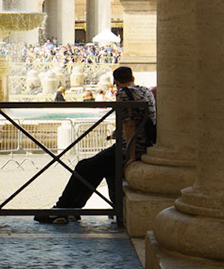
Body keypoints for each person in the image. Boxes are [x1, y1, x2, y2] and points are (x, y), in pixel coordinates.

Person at [35, 66, 154, 224]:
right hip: (143, 145)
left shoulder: (123, 93)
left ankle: (61, 209)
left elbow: (130, 124)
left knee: (84, 167)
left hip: (130, 148)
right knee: (97, 168)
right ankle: (72, 210)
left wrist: (131, 157)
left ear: (116, 82)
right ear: (132, 78)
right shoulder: (145, 91)